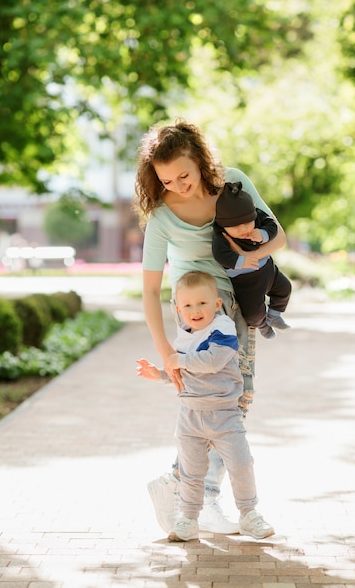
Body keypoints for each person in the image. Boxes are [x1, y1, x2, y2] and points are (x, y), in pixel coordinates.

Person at [134, 118, 286, 535]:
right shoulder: (162, 217)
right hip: (196, 313)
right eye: (167, 180)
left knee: (237, 400)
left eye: (184, 174)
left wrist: (248, 257)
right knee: (218, 402)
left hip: (236, 303)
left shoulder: (233, 184)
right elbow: (149, 291)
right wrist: (166, 350)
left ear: (199, 160)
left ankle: (186, 485)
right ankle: (194, 491)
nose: (179, 185)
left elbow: (279, 237)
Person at [136, 271, 275, 541]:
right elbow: (186, 375)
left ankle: (249, 514)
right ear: (178, 309)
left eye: (202, 303)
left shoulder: (223, 329)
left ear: (216, 304)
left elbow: (211, 362)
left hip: (224, 417)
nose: (195, 310)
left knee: (241, 464)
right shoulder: (185, 338)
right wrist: (161, 375)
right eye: (187, 305)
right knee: (192, 472)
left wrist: (177, 361)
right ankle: (188, 519)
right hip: (190, 418)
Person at [213, 181, 292, 340]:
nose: (244, 229)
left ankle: (274, 316)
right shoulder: (220, 233)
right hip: (247, 280)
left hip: (268, 269)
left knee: (285, 289)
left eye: (248, 222)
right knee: (253, 314)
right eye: (236, 226)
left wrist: (263, 234)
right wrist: (241, 261)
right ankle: (262, 325)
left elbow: (272, 224)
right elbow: (220, 254)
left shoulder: (257, 217)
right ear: (224, 225)